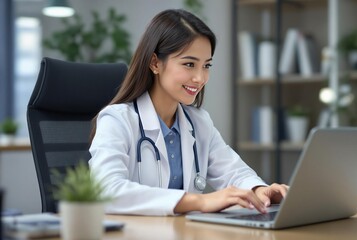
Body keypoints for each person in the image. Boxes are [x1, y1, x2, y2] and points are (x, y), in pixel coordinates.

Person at [89, 9, 288, 216]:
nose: (200, 78)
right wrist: (199, 201)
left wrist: (260, 190)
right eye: (189, 64)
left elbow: (233, 172)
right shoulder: (118, 119)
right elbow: (105, 190)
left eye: (206, 65)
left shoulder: (198, 122)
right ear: (155, 63)